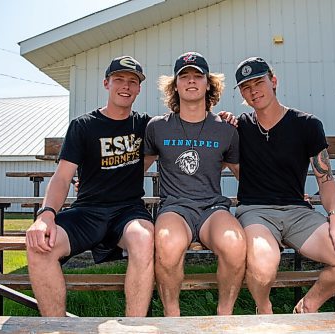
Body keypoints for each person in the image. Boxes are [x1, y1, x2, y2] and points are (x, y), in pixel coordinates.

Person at [233, 57, 335, 314]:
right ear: (242, 93)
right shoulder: (239, 126)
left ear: (273, 81)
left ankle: (308, 306)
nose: (253, 90)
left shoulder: (306, 124)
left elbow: (326, 179)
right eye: (246, 87)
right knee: (263, 267)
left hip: (298, 211)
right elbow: (220, 161)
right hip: (255, 211)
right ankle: (264, 309)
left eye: (258, 82)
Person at [25, 56, 155, 317]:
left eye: (133, 82)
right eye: (119, 79)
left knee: (144, 239)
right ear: (106, 83)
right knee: (40, 245)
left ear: (139, 88)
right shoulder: (83, 126)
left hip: (128, 211)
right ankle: (56, 327)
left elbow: (183, 131)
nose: (126, 86)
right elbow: (62, 177)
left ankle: (135, 327)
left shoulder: (146, 125)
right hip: (88, 211)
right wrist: (46, 215)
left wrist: (223, 120)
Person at [144, 52, 246, 316]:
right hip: (175, 209)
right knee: (166, 244)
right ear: (175, 85)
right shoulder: (157, 127)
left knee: (235, 244)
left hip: (212, 209)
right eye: (184, 76)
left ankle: (224, 317)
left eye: (197, 76)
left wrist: (285, 194)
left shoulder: (226, 127)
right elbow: (134, 171)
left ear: (208, 83)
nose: (191, 81)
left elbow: (242, 173)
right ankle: (173, 319)